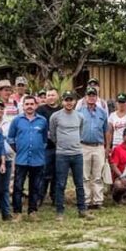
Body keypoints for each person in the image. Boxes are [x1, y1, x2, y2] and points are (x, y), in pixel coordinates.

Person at [49, 91, 90, 219]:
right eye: (66, 100)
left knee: (79, 183)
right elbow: (53, 134)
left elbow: (81, 132)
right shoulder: (55, 116)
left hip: (77, 153)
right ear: (62, 101)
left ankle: (82, 210)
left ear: (75, 101)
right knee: (61, 184)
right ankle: (60, 211)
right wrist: (61, 144)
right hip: (62, 154)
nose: (69, 102)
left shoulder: (80, 116)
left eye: (71, 100)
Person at [8, 95, 48, 219]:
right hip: (21, 159)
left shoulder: (42, 121)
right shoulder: (16, 120)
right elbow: (11, 139)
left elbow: (45, 140)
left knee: (35, 186)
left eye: (32, 104)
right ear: (23, 106)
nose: (29, 106)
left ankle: (32, 211)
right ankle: (17, 212)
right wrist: (19, 150)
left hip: (37, 159)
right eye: (27, 104)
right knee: (18, 186)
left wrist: (38, 149)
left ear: (36, 105)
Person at [77, 87, 109, 210]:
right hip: (83, 145)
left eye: (93, 95)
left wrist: (107, 146)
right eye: (89, 95)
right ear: (85, 97)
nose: (91, 97)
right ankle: (85, 201)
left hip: (98, 146)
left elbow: (106, 130)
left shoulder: (102, 112)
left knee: (97, 176)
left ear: (96, 97)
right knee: (84, 176)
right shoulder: (79, 112)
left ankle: (98, 201)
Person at [36, 88, 61, 205]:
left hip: (60, 146)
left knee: (57, 172)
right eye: (48, 95)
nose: (50, 97)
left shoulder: (62, 110)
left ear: (57, 96)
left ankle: (55, 197)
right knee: (44, 173)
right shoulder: (40, 110)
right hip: (45, 146)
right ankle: (40, 197)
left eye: (53, 95)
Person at [0, 99, 15, 221]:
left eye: (1, 108)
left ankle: (5, 212)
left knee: (5, 187)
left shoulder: (9, 123)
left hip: (8, 158)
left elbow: (13, 138)